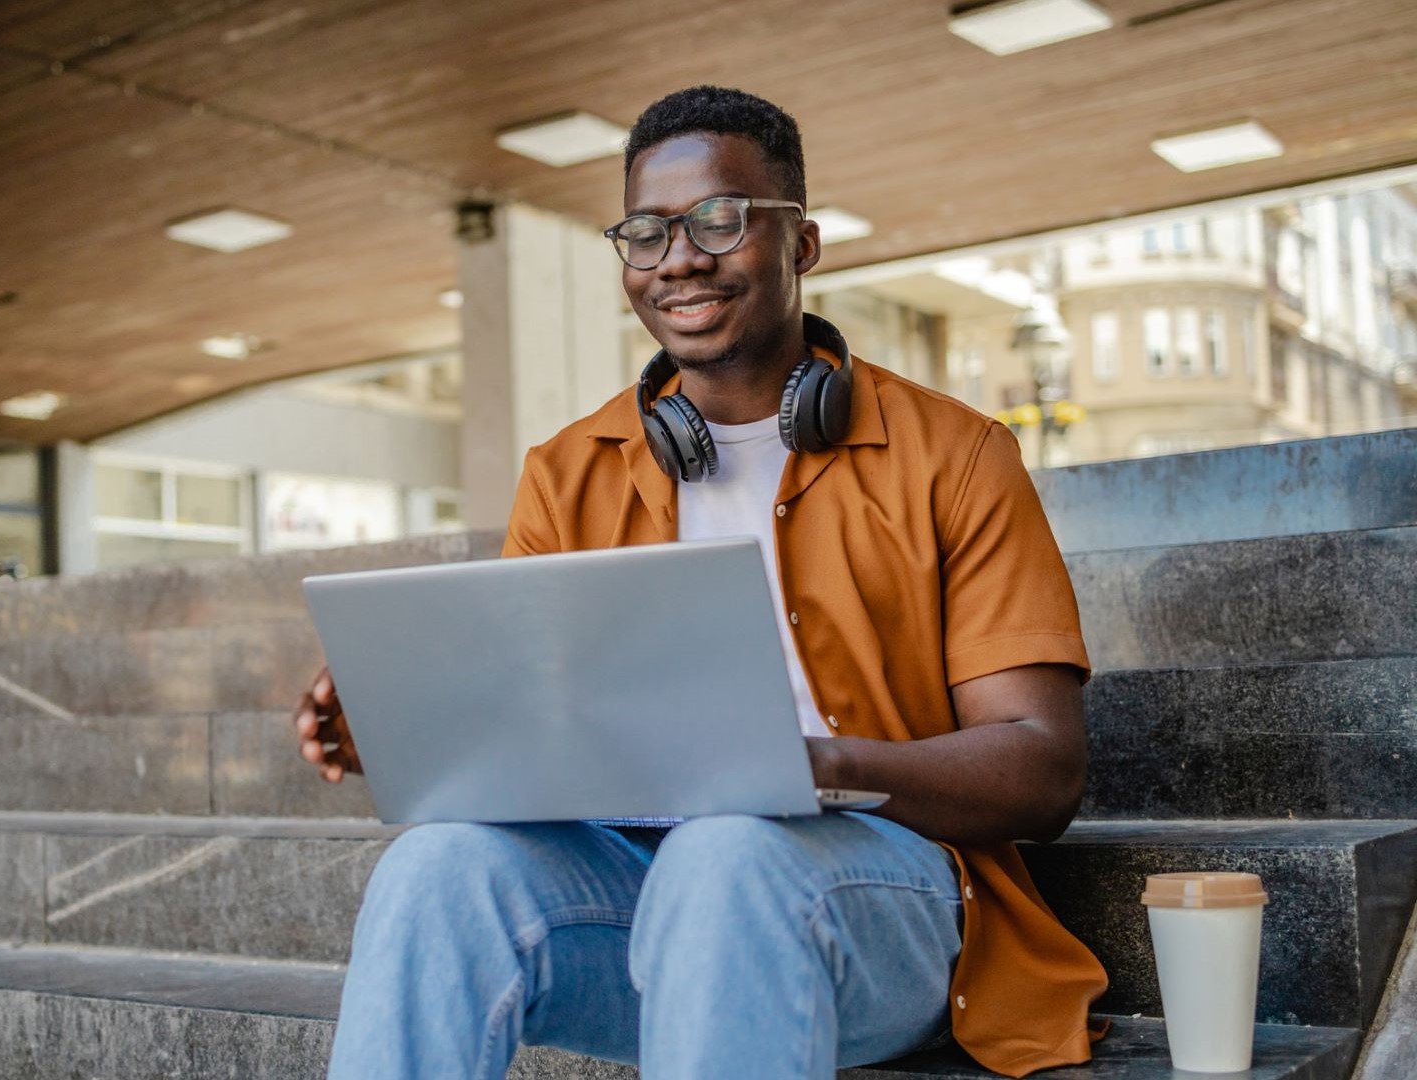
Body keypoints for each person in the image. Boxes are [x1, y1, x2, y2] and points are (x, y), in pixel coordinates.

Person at [291, 85, 1106, 1080]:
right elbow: (532, 748)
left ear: (801, 245)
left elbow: (1041, 769)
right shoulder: (567, 470)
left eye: (718, 220)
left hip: (882, 902)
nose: (677, 257)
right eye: (645, 232)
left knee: (728, 854)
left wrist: (811, 766)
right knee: (434, 868)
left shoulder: (955, 455)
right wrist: (413, 728)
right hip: (639, 897)